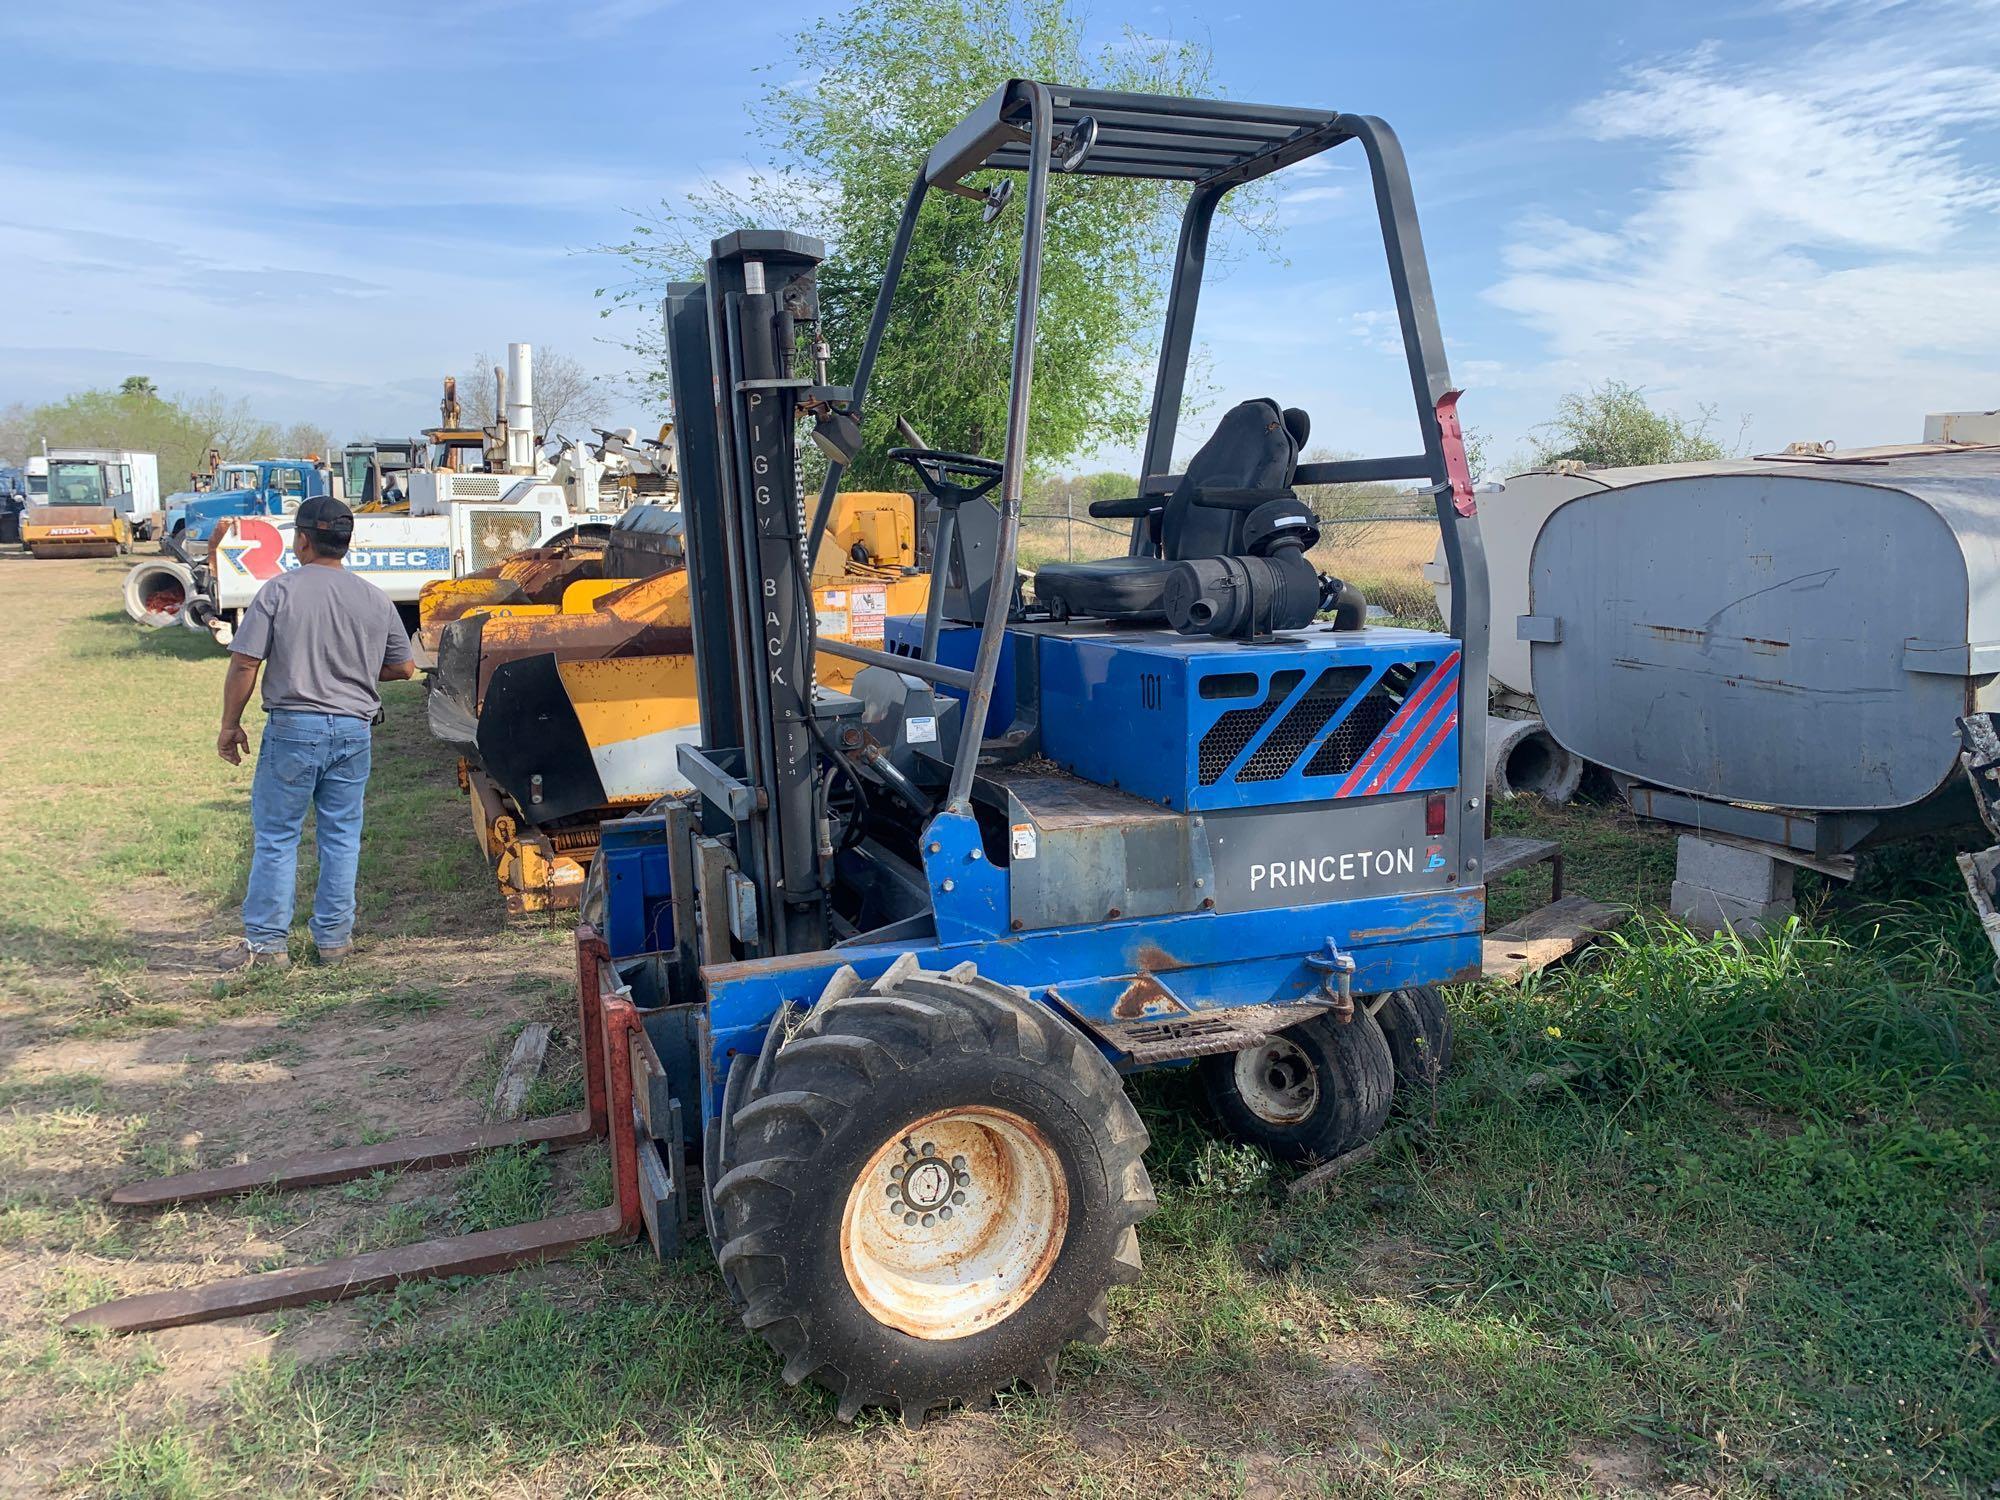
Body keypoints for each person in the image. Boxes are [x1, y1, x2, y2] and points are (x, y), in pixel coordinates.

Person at [217, 497, 415, 970]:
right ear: (347, 543)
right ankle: (334, 942)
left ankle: (267, 946)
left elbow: (246, 660)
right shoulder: (373, 597)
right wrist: (357, 671)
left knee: (278, 837)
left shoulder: (278, 591)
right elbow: (404, 667)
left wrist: (230, 724)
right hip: (353, 731)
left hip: (293, 729)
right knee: (342, 835)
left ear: (302, 540)